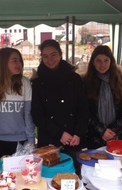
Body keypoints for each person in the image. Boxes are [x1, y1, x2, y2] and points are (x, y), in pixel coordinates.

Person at [31, 39, 89, 176]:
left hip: (73, 141)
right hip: (48, 143)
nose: (49, 59)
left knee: (72, 178)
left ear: (60, 54)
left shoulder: (74, 79)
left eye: (53, 54)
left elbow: (84, 109)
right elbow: (37, 115)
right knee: (48, 179)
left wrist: (79, 133)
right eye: (45, 56)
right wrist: (59, 133)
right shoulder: (37, 83)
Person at [0, 47, 35, 160]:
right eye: (14, 60)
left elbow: (28, 115)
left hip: (20, 141)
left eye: (20, 60)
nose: (19, 63)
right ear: (3, 63)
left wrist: (31, 142)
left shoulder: (24, 83)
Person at [82, 45, 122, 150]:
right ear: (93, 63)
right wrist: (101, 131)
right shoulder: (86, 83)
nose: (102, 65)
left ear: (111, 62)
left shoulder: (121, 81)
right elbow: (84, 112)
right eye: (98, 61)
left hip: (119, 137)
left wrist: (113, 130)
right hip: (95, 139)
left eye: (106, 60)